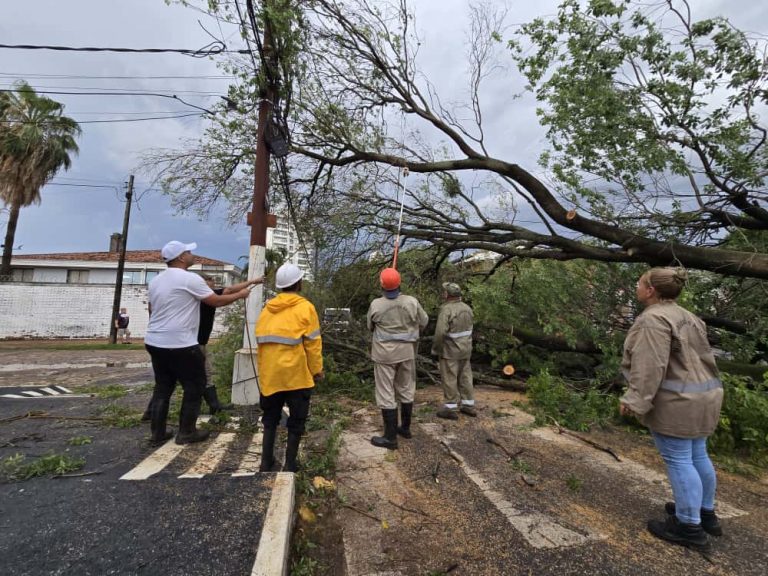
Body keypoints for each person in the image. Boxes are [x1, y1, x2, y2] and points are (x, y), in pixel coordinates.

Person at [620, 267, 723, 551]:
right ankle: (706, 513)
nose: (637, 286)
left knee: (678, 459)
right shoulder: (689, 316)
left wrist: (635, 399)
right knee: (697, 453)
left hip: (678, 400)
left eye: (640, 283)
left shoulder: (653, 320)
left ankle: (688, 526)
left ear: (651, 290)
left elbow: (650, 366)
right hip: (705, 395)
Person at [144, 241, 251, 446]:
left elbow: (151, 308)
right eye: (189, 251)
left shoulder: (156, 281)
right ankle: (186, 432)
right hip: (181, 343)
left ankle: (157, 434)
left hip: (155, 340)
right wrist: (241, 295)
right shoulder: (189, 279)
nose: (192, 254)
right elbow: (216, 301)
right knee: (195, 386)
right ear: (181, 257)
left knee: (163, 388)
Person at [255, 263, 323, 472]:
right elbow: (313, 343)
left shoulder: (267, 308)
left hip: (271, 375)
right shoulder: (305, 307)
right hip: (296, 375)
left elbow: (262, 342)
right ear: (299, 283)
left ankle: (266, 463)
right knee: (297, 420)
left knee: (270, 420)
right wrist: (317, 370)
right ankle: (290, 465)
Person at [367, 267, 428, 449]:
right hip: (407, 353)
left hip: (384, 355)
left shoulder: (376, 305)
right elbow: (424, 322)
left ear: (382, 284)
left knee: (386, 393)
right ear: (399, 283)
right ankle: (405, 429)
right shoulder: (411, 302)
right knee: (406, 388)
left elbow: (370, 326)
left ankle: (390, 438)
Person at [197, 273, 263, 414]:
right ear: (203, 283)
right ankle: (211, 406)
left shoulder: (205, 294)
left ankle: (213, 405)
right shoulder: (204, 295)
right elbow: (223, 299)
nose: (213, 283)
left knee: (179, 378)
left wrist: (253, 281)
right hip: (195, 343)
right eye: (210, 281)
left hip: (195, 342)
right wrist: (241, 294)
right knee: (202, 375)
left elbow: (229, 290)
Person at [432, 282, 475, 420]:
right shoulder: (467, 308)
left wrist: (436, 349)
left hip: (450, 351)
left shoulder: (446, 310)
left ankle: (450, 408)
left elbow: (440, 333)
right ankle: (468, 405)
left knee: (450, 378)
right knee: (465, 376)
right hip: (466, 350)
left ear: (447, 294)